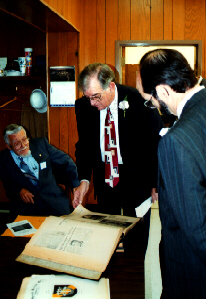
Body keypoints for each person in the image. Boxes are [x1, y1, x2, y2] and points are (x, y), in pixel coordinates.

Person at [138, 48, 206, 298]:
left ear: (164, 91)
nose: (153, 106)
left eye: (151, 99)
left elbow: (198, 230)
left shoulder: (176, 141)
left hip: (192, 270)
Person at [73, 63, 163, 218]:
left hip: (137, 179)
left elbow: (156, 142)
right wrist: (84, 180)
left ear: (111, 86)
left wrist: (156, 182)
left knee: (137, 233)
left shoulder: (139, 100)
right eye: (87, 97)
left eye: (96, 96)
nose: (92, 103)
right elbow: (84, 146)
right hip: (105, 179)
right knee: (108, 231)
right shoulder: (83, 107)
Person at [0, 124, 80, 216]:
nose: (23, 145)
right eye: (16, 143)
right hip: (27, 208)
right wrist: (19, 190)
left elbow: (66, 161)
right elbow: (7, 182)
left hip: (54, 202)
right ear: (9, 146)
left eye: (24, 139)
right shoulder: (4, 159)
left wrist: (76, 185)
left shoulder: (41, 144)